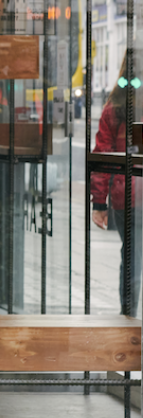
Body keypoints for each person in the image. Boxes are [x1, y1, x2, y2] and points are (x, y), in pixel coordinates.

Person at [91, 53, 141, 318]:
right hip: (132, 194)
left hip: (126, 195)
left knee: (131, 257)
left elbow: (103, 155)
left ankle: (129, 316)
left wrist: (99, 203)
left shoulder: (115, 105)